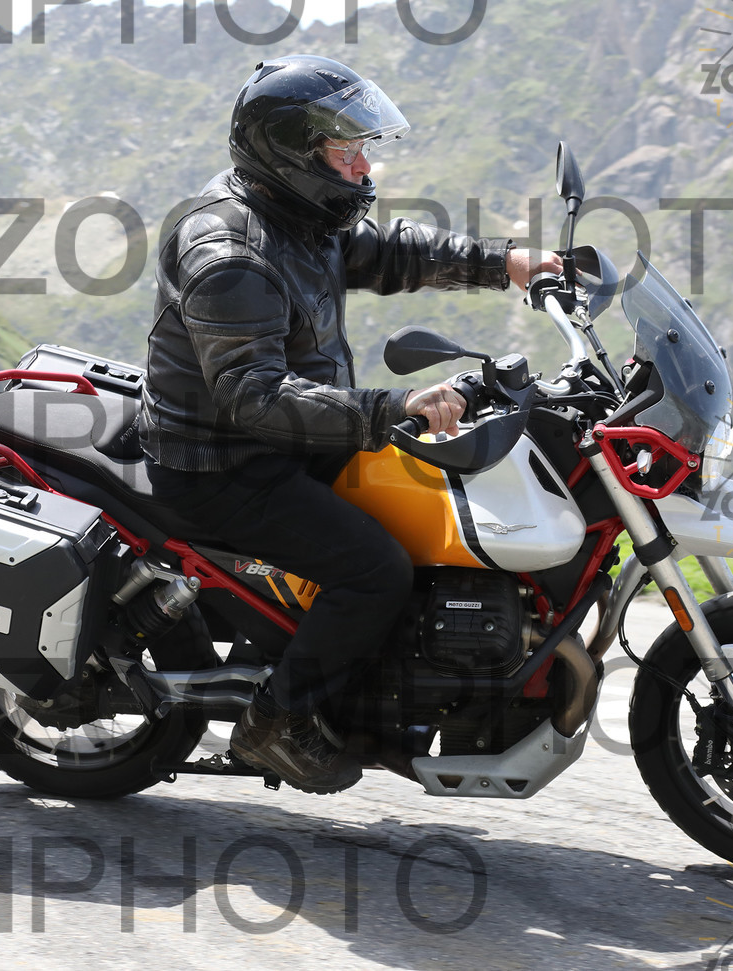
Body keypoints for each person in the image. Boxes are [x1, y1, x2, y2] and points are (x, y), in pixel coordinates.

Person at [138, 55, 560, 793]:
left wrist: (509, 263)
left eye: (363, 148)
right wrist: (390, 408)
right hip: (224, 462)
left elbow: (392, 252)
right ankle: (277, 721)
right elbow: (253, 396)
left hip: (293, 436)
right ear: (290, 153)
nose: (364, 168)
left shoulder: (298, 214)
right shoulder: (229, 253)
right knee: (374, 570)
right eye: (346, 152)